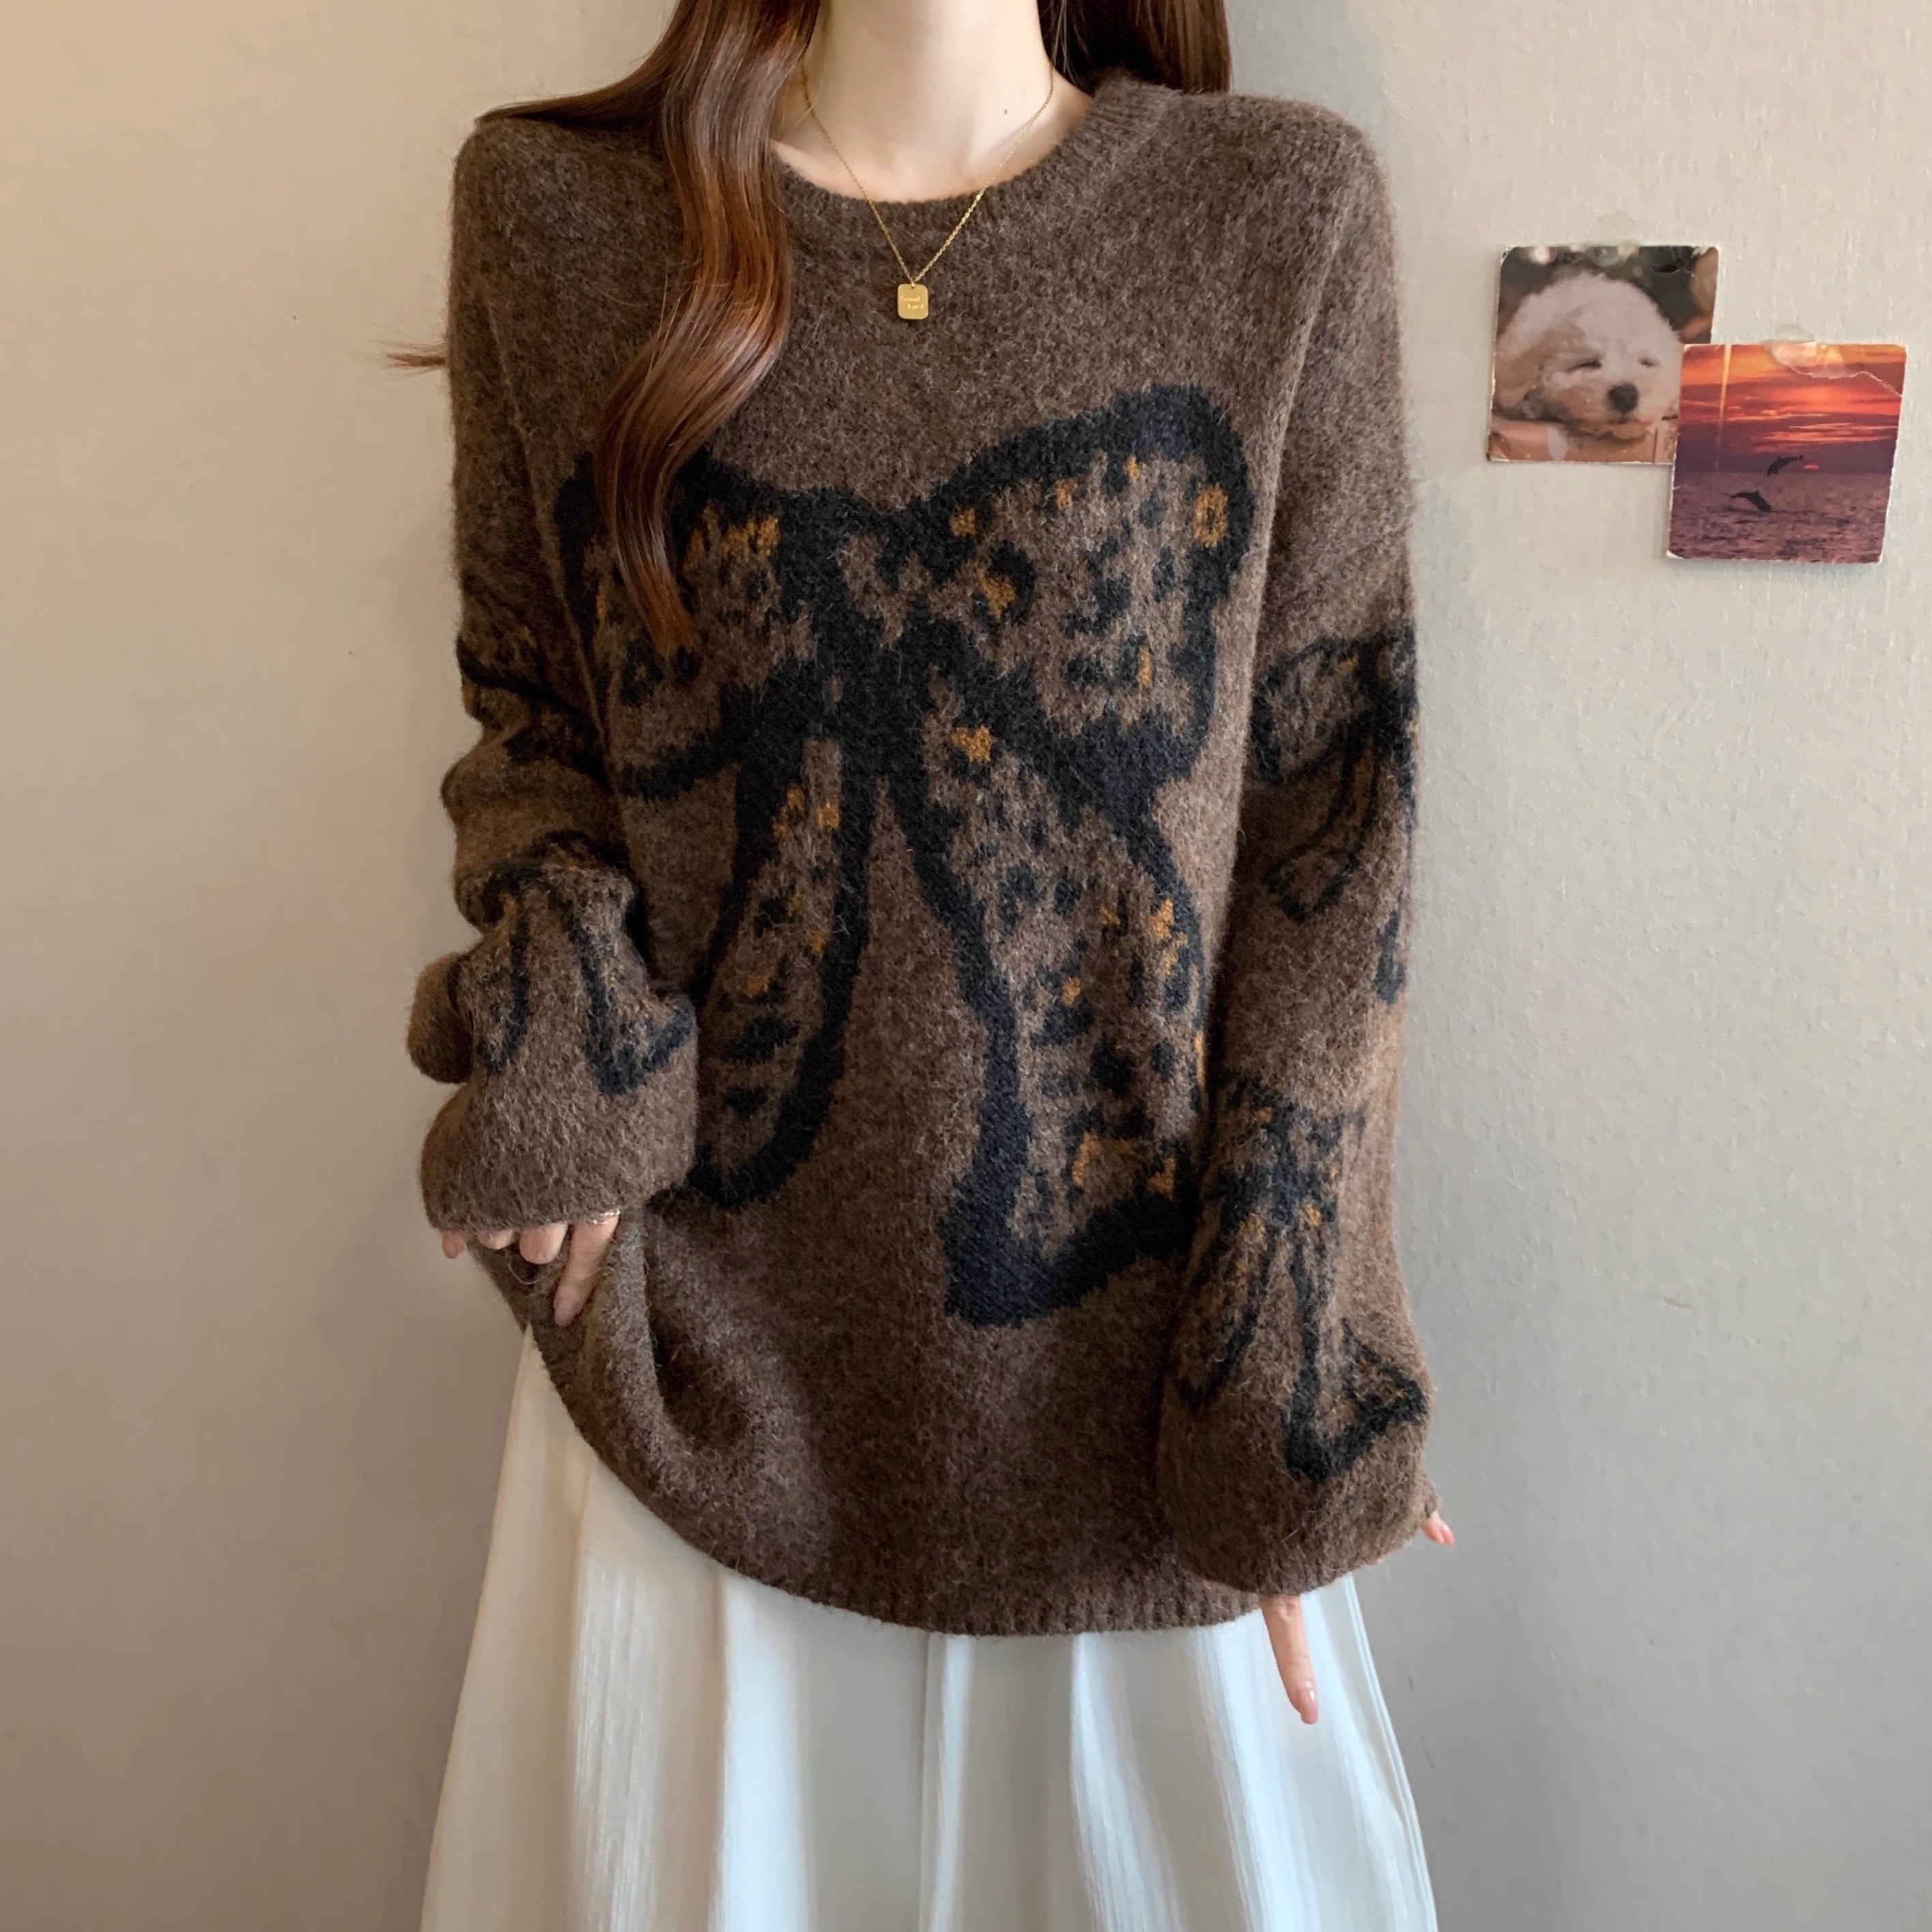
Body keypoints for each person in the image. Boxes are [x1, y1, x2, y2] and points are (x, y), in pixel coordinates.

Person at [401, 0, 1454, 1923]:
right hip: (688, 1379)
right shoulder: (554, 214)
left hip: (1146, 1411)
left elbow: (1337, 812)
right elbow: (533, 714)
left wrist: (1299, 1342)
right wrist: (568, 1041)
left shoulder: (1276, 209)